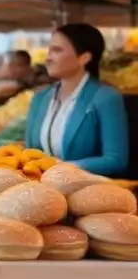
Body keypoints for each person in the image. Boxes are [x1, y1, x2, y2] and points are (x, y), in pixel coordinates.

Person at [25, 23, 128, 176]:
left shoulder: (106, 98)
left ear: (84, 58)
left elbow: (115, 160)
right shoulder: (40, 98)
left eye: (57, 50)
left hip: (87, 191)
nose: (48, 58)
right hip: (42, 188)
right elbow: (30, 152)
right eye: (49, 50)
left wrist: (61, 167)